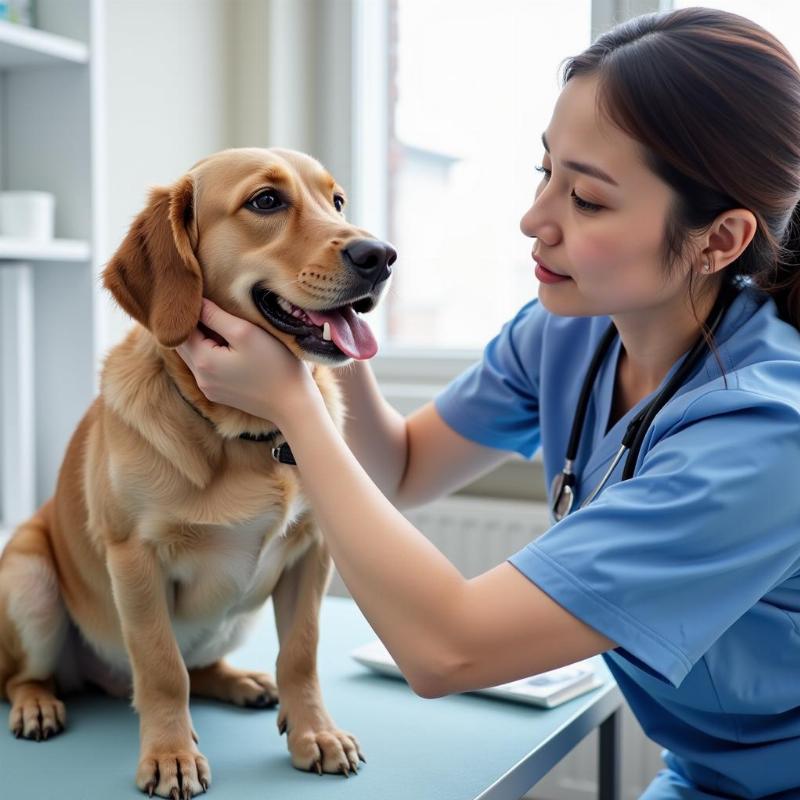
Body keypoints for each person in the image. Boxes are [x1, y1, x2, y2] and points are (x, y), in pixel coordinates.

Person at [176, 8, 800, 799]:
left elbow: (446, 651)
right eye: (545, 174)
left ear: (719, 239)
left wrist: (295, 406)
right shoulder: (570, 334)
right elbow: (400, 467)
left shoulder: (767, 435)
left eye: (589, 200)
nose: (535, 220)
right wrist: (324, 328)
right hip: (708, 779)